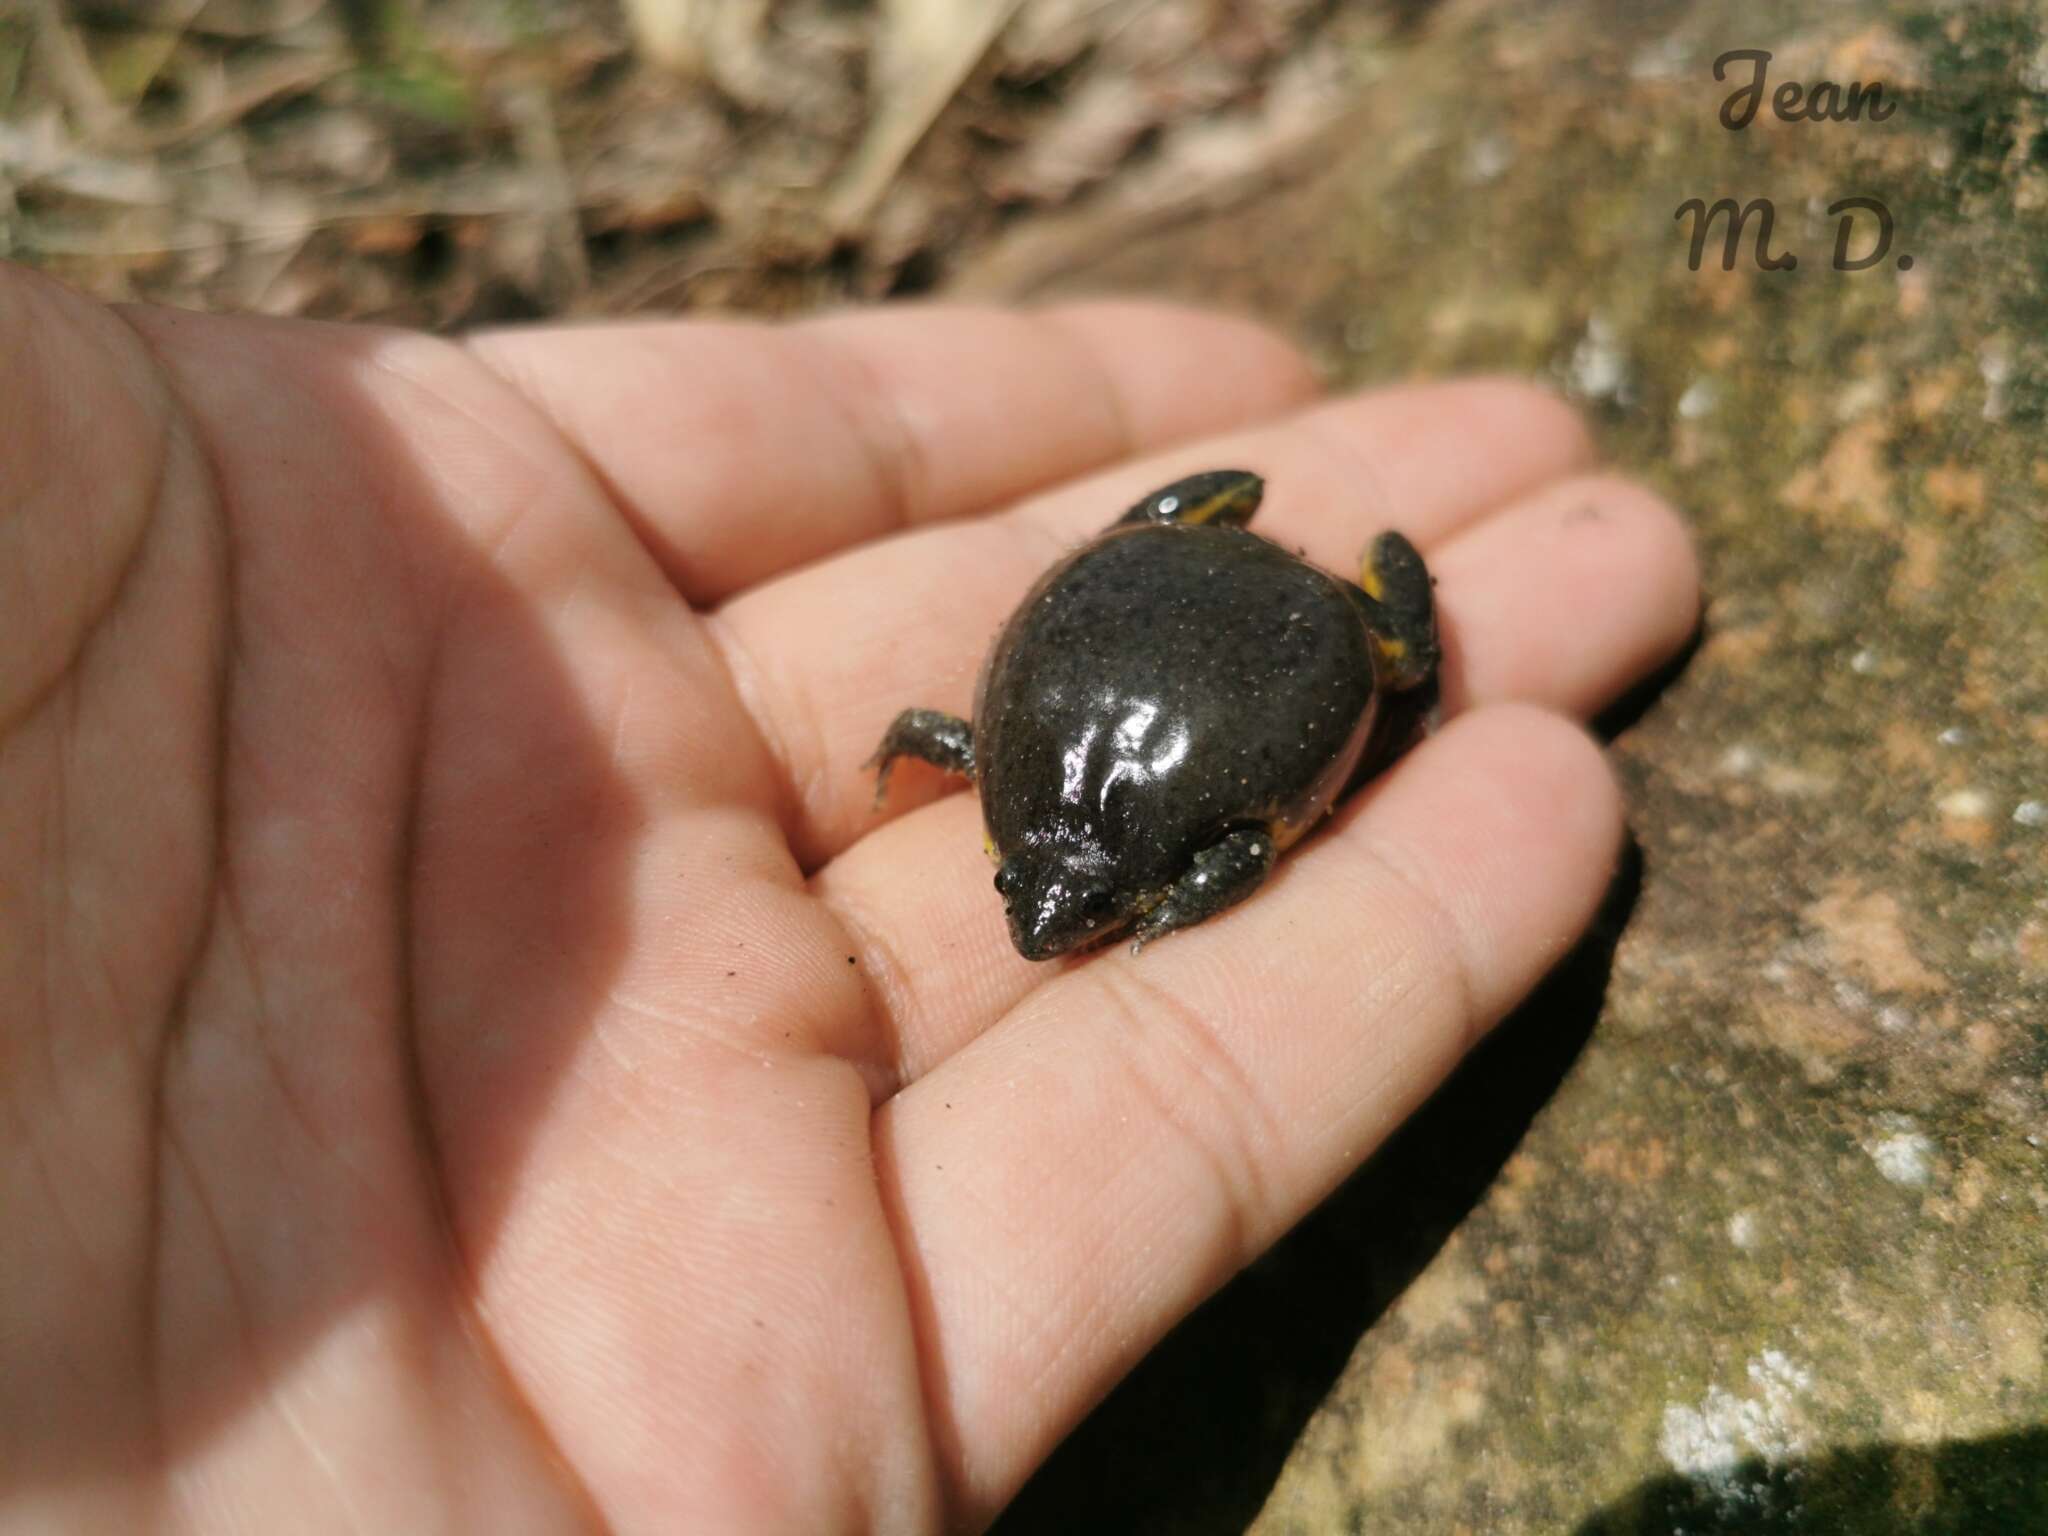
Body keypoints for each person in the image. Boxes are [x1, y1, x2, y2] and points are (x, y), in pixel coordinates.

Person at [1, 265, 1698, 1531]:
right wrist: (1147, 883)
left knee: (1390, 692)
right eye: (1049, 901)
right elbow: (1155, 810)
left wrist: (1141, 875)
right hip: (1225, 623)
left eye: (1062, 910)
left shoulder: (1039, 777)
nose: (1044, 931)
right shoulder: (1068, 801)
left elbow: (1075, 780)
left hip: (1253, 629)